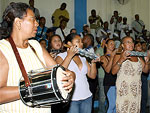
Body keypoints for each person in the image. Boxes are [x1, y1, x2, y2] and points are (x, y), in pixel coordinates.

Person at [0, 2, 75, 113]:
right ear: (18, 23)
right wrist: (33, 88)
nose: (37, 24)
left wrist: (71, 75)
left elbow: (59, 71)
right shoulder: (3, 49)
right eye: (32, 19)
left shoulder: (35, 46)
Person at [55, 33, 100, 113]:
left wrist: (93, 62)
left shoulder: (82, 57)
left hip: (87, 97)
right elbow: (59, 73)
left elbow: (92, 76)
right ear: (69, 44)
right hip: (72, 99)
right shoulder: (60, 56)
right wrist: (69, 56)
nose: (81, 43)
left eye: (81, 41)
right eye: (78, 41)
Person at [112, 36, 149, 113]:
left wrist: (147, 61)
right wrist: (121, 59)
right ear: (122, 45)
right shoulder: (119, 55)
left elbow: (145, 70)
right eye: (128, 42)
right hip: (124, 92)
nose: (131, 44)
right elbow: (113, 72)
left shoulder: (137, 56)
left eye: (132, 42)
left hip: (136, 92)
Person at [100, 39, 117, 113]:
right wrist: (112, 57)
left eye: (114, 44)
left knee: (117, 105)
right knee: (112, 105)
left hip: (117, 81)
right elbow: (107, 70)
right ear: (106, 45)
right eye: (111, 44)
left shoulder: (117, 56)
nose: (113, 45)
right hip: (109, 83)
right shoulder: (103, 57)